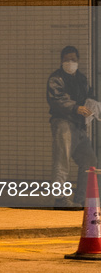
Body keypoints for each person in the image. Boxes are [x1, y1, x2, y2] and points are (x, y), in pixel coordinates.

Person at [46, 45, 97, 209]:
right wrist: (77, 108)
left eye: (73, 60)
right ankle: (60, 199)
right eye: (67, 59)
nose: (70, 62)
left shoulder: (82, 79)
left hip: (79, 125)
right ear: (61, 61)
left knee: (89, 160)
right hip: (63, 123)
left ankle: (81, 199)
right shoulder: (56, 79)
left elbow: (90, 95)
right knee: (62, 161)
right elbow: (56, 100)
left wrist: (93, 106)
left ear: (78, 61)